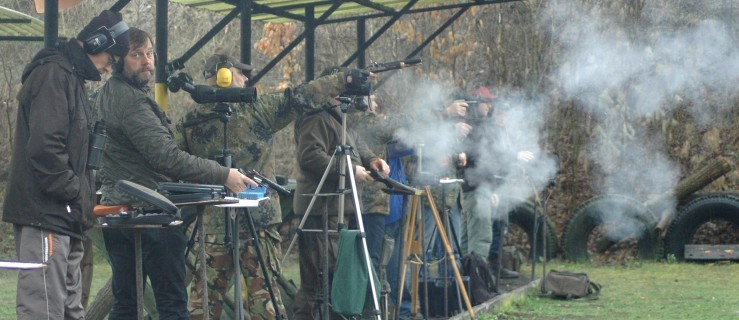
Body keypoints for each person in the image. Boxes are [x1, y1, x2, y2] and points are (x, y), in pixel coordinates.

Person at [178, 54, 362, 320]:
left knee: (204, 301)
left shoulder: (191, 120)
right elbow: (303, 96)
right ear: (225, 76)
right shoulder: (258, 109)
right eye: (240, 74)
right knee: (263, 299)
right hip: (259, 223)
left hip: (212, 224)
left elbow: (171, 159)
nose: (246, 78)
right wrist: (343, 80)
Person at [94, 28, 256, 320]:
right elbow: (166, 157)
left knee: (126, 304)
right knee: (171, 307)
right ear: (119, 60)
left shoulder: (104, 95)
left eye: (149, 53)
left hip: (118, 211)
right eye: (136, 55)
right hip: (150, 213)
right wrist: (223, 175)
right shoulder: (131, 102)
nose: (146, 61)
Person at [2, 10, 129, 319]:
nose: (108, 68)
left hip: (64, 217)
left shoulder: (70, 78)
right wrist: (76, 194)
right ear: (97, 42)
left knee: (71, 309)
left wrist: (81, 200)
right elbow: (46, 150)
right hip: (47, 215)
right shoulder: (54, 76)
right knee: (43, 309)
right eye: (110, 59)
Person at [292, 66, 389, 320]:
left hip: (338, 210)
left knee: (334, 277)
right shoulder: (316, 116)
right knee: (318, 281)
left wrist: (372, 161)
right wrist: (351, 169)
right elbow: (310, 156)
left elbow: (354, 142)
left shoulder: (338, 116)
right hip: (319, 210)